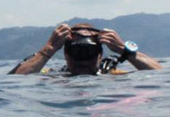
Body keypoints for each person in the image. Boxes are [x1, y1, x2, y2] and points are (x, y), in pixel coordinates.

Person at [9, 22, 161, 76]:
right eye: (76, 52)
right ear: (66, 55)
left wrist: (123, 50)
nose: (82, 60)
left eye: (89, 52)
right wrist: (48, 49)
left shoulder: (111, 74)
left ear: (100, 54)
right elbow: (15, 80)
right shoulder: (53, 76)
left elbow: (159, 74)